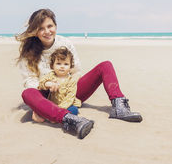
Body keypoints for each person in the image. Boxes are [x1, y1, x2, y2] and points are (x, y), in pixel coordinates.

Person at [16, 8, 142, 139]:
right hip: (46, 95)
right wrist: (47, 85)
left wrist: (66, 88)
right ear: (35, 31)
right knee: (27, 93)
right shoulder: (28, 53)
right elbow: (29, 81)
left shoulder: (65, 43)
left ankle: (119, 107)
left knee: (106, 65)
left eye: (50, 26)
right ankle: (70, 120)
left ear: (55, 26)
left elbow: (76, 71)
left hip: (70, 90)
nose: (47, 31)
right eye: (41, 28)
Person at [38, 46, 81, 116]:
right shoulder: (51, 75)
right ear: (52, 65)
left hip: (67, 104)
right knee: (43, 107)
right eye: (58, 63)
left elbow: (70, 97)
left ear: (70, 67)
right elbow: (41, 83)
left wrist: (59, 109)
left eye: (66, 64)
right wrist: (48, 83)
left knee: (74, 110)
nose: (62, 66)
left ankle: (63, 117)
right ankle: (55, 115)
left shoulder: (71, 80)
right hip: (53, 103)